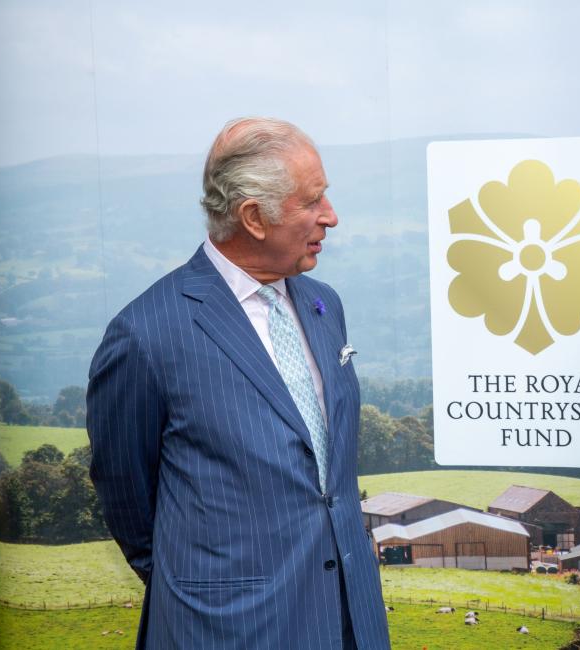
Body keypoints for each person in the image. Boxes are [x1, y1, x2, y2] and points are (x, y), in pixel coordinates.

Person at [86, 117, 390, 649]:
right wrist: (203, 588)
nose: (331, 216)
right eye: (312, 200)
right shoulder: (147, 333)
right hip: (227, 628)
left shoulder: (324, 305)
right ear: (254, 217)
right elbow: (127, 494)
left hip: (348, 620)